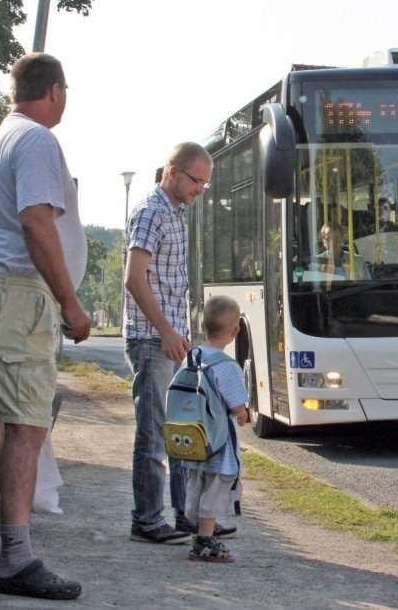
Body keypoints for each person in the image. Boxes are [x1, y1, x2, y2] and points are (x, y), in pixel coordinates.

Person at [0, 52, 91, 600]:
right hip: (14, 297)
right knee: (27, 428)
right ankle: (15, 557)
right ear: (54, 90)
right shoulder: (36, 140)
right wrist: (70, 303)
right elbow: (36, 221)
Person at [124, 142, 236, 544]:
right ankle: (147, 520)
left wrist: (180, 332)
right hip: (152, 340)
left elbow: (169, 282)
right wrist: (166, 331)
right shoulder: (152, 211)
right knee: (153, 434)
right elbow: (135, 278)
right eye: (196, 181)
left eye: (205, 183)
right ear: (172, 172)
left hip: (171, 340)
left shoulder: (177, 212)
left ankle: (186, 516)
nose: (200, 190)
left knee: (181, 433)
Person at [184, 296, 248, 563]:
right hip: (219, 444)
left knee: (197, 486)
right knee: (214, 490)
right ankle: (205, 541)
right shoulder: (227, 366)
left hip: (195, 438)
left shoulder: (193, 356)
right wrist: (244, 415)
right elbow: (236, 406)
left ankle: (198, 533)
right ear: (235, 331)